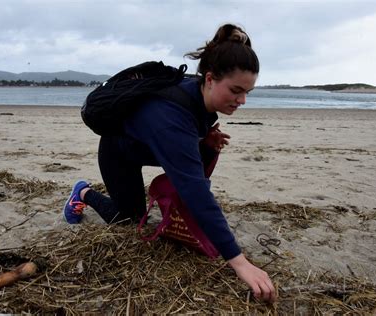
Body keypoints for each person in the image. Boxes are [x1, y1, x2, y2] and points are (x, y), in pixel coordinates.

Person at [63, 23, 277, 302]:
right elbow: (196, 190)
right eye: (236, 90)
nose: (243, 100)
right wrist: (239, 262)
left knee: (199, 155)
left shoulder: (202, 97)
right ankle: (82, 192)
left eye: (248, 91)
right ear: (210, 79)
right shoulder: (171, 118)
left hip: (149, 144)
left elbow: (193, 172)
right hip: (119, 150)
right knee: (127, 218)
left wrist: (206, 144)